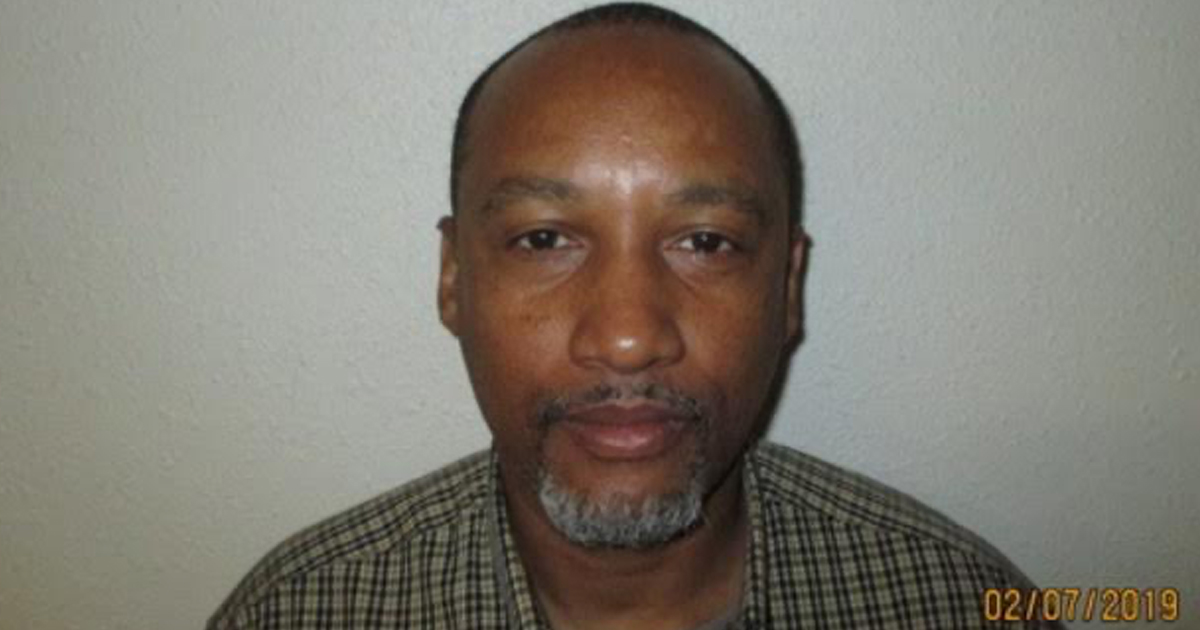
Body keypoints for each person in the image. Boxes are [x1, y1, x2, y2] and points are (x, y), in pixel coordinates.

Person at [210, 4, 1057, 629]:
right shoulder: (294, 611)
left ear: (788, 287)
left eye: (706, 242)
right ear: (454, 278)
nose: (626, 338)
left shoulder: (960, 603)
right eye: (544, 239)